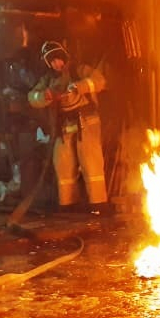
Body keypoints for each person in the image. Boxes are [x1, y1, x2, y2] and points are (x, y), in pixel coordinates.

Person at [27, 41, 109, 213]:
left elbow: (100, 81)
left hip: (87, 122)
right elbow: (32, 97)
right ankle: (68, 205)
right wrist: (45, 96)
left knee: (91, 163)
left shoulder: (79, 70)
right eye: (52, 61)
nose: (56, 64)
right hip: (63, 127)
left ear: (64, 58)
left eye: (58, 59)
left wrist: (79, 86)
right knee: (63, 164)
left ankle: (98, 205)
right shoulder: (48, 79)